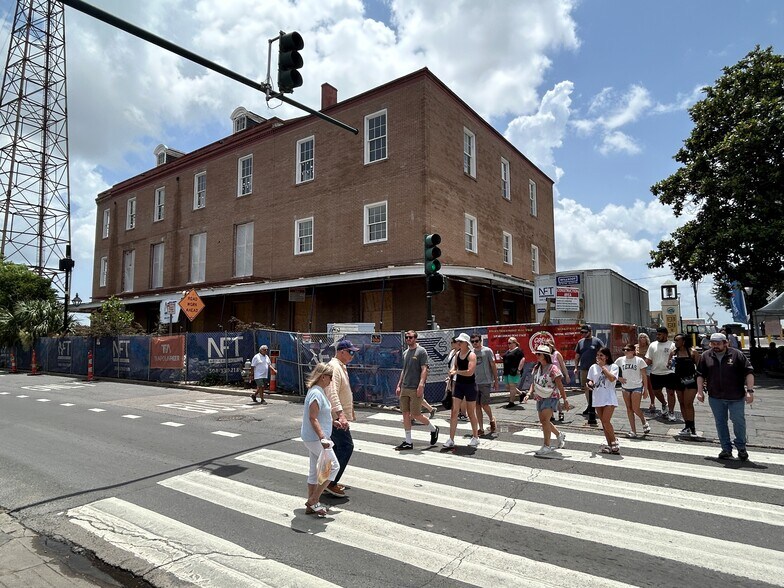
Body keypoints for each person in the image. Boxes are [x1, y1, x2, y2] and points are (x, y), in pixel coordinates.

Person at [697, 332, 755, 460]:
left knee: (738, 422)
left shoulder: (736, 354)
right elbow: (700, 374)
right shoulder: (706, 356)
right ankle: (726, 449)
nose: (715, 346)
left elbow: (749, 372)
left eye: (718, 343)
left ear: (726, 343)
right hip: (715, 396)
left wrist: (750, 391)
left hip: (736, 396)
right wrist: (700, 391)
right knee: (720, 423)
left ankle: (741, 448)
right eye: (713, 343)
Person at [300, 363, 340, 517]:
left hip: (311, 438)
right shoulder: (317, 393)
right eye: (330, 377)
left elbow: (320, 415)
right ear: (323, 376)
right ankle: (314, 499)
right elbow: (312, 417)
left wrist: (332, 422)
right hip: (316, 438)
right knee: (334, 467)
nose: (331, 381)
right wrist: (323, 437)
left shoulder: (316, 391)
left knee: (313, 470)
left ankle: (312, 505)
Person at [324, 339, 359, 498]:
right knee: (346, 446)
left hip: (337, 416)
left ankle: (325, 480)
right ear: (341, 351)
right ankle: (330, 483)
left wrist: (349, 411)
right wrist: (341, 415)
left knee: (336, 448)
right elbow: (332, 393)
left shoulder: (340, 366)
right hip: (334, 418)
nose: (353, 355)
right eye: (350, 352)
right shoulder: (334, 367)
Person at [395, 330, 439, 450]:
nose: (408, 339)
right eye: (406, 337)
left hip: (415, 387)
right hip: (405, 387)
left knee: (416, 414)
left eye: (410, 337)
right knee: (405, 414)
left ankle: (433, 429)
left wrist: (421, 385)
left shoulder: (421, 351)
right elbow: (404, 370)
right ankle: (408, 441)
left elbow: (424, 369)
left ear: (415, 338)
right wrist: (399, 385)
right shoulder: (405, 353)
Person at [523, 344, 569, 456]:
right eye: (536, 354)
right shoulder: (536, 368)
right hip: (539, 396)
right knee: (544, 421)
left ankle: (546, 445)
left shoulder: (553, 368)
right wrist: (529, 393)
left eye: (539, 354)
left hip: (551, 396)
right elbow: (534, 383)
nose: (537, 356)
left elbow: (560, 385)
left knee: (544, 421)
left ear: (545, 355)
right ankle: (559, 435)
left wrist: (565, 399)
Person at [443, 333, 480, 448]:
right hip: (458, 385)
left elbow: (470, 372)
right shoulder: (457, 354)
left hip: (470, 386)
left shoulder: (472, 355)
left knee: (470, 412)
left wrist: (456, 372)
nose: (458, 343)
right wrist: (452, 371)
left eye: (460, 341)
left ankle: (475, 437)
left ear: (466, 343)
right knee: (454, 411)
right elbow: (455, 366)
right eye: (458, 341)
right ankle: (451, 439)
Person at [588, 347, 620, 454]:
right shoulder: (593, 367)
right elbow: (591, 380)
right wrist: (590, 384)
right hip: (598, 397)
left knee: (606, 420)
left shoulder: (613, 366)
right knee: (604, 423)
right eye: (597, 355)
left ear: (607, 357)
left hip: (609, 397)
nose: (599, 357)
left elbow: (611, 378)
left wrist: (603, 367)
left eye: (601, 355)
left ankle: (614, 441)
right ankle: (610, 445)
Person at [615, 344, 650, 438]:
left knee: (635, 408)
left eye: (628, 350)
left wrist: (645, 389)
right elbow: (612, 370)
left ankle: (644, 421)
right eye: (624, 349)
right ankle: (633, 430)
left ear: (633, 351)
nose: (626, 351)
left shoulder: (639, 360)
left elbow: (644, 375)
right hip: (625, 387)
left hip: (637, 386)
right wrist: (619, 378)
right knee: (629, 409)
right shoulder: (620, 360)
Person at [645, 327, 676, 421]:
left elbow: (675, 358)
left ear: (665, 334)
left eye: (659, 334)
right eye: (657, 334)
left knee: (670, 393)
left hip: (669, 373)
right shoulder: (652, 345)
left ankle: (671, 412)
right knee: (656, 392)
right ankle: (663, 403)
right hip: (655, 372)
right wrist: (640, 367)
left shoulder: (672, 345)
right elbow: (648, 360)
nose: (657, 336)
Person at [673, 333, 700, 437]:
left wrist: (701, 381)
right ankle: (687, 425)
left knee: (688, 403)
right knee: (682, 403)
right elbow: (669, 365)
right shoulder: (674, 353)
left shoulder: (693, 352)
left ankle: (692, 427)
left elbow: (699, 367)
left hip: (690, 380)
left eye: (677, 340)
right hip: (678, 380)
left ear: (683, 342)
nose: (675, 342)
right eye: (675, 340)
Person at [574, 325, 602, 425]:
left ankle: (596, 405)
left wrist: (602, 365)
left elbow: (603, 353)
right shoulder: (580, 342)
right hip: (584, 369)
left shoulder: (597, 341)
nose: (583, 334)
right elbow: (577, 356)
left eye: (585, 332)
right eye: (582, 332)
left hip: (595, 369)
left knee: (596, 387)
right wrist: (576, 367)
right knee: (586, 388)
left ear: (590, 331)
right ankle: (590, 405)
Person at [471, 334, 498, 435]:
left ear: (480, 340)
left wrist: (495, 380)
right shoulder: (471, 353)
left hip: (486, 381)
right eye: (472, 341)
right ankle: (481, 428)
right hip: (474, 382)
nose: (475, 343)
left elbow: (493, 365)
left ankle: (491, 419)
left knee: (484, 404)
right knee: (477, 406)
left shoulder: (487, 351)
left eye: (476, 341)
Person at [636, 333, 656, 413]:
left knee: (649, 385)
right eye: (641, 337)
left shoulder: (650, 347)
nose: (642, 339)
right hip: (638, 367)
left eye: (644, 337)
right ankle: (637, 403)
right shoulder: (636, 346)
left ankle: (652, 402)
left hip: (648, 366)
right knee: (638, 384)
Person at [503, 337, 524, 409]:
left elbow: (522, 359)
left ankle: (511, 402)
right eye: (508, 343)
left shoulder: (518, 350)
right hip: (507, 371)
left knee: (512, 386)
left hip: (514, 370)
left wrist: (519, 369)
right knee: (507, 386)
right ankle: (521, 394)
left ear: (515, 343)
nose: (508, 345)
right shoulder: (509, 351)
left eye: (510, 343)